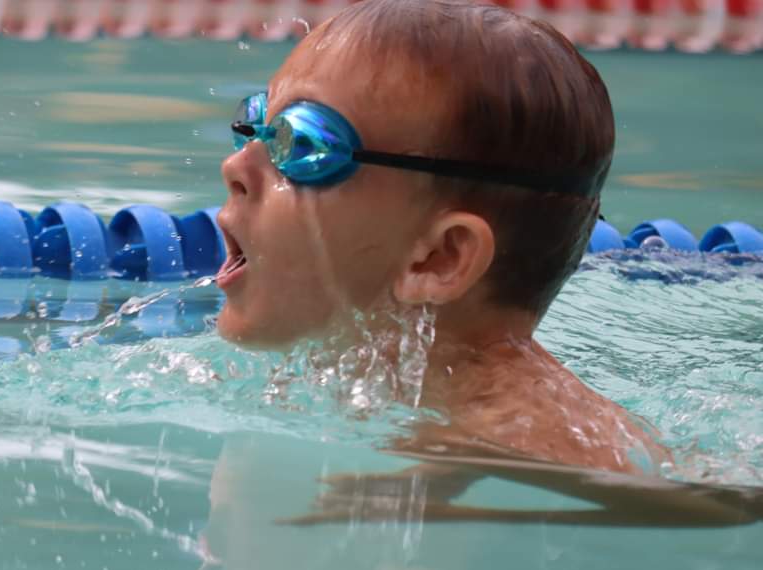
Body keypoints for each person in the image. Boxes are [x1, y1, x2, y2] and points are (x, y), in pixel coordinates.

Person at [213, 0, 672, 475]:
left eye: (304, 144)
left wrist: (463, 490)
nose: (237, 166)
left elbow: (705, 502)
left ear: (439, 258)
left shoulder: (534, 435)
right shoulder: (362, 373)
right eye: (255, 122)